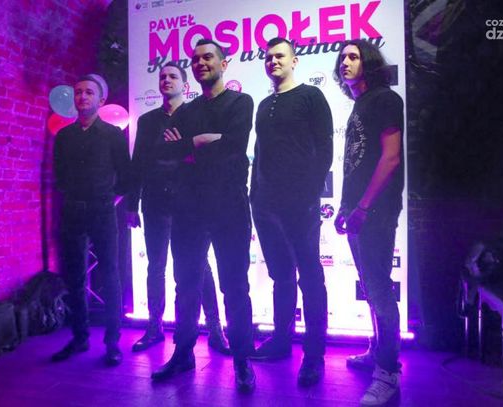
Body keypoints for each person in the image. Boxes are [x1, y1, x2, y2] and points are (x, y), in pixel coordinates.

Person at [149, 39, 256, 392]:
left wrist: (188, 147)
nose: (200, 63)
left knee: (235, 287)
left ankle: (242, 361)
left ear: (223, 64)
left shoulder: (241, 102)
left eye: (208, 57)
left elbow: (234, 147)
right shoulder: (187, 110)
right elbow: (166, 150)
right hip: (189, 209)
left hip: (229, 208)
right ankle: (183, 354)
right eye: (195, 59)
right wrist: (198, 142)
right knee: (185, 286)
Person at [127, 62, 229, 354]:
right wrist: (132, 204)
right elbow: (139, 163)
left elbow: (206, 156)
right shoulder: (147, 121)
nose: (166, 80)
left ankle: (215, 328)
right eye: (162, 76)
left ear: (184, 85)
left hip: (190, 203)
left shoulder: (196, 114)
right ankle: (154, 327)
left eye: (173, 76)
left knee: (200, 265)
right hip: (155, 202)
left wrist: (181, 148)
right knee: (155, 266)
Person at [249, 37, 333, 387]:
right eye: (268, 57)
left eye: (280, 56)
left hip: (300, 203)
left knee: (310, 276)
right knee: (280, 275)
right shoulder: (264, 104)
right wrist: (255, 195)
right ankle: (281, 342)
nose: (273, 61)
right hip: (265, 204)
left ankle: (314, 355)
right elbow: (261, 152)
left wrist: (310, 194)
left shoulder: (311, 96)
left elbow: (325, 149)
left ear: (294, 60)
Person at [333, 39, 404, 406]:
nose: (345, 62)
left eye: (353, 56)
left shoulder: (385, 99)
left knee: (379, 290)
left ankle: (388, 373)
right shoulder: (360, 103)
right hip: (358, 210)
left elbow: (390, 158)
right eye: (342, 57)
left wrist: (362, 207)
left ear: (369, 62)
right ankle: (377, 352)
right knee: (371, 288)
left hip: (375, 211)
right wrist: (345, 208)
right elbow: (356, 163)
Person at [52, 75, 131, 366]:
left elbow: (126, 176)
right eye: (78, 92)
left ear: (101, 100)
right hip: (72, 210)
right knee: (74, 275)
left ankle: (112, 342)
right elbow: (59, 176)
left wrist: (109, 201)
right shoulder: (64, 136)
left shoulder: (112, 135)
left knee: (110, 274)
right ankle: (79, 337)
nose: (82, 96)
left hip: (102, 211)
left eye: (89, 92)